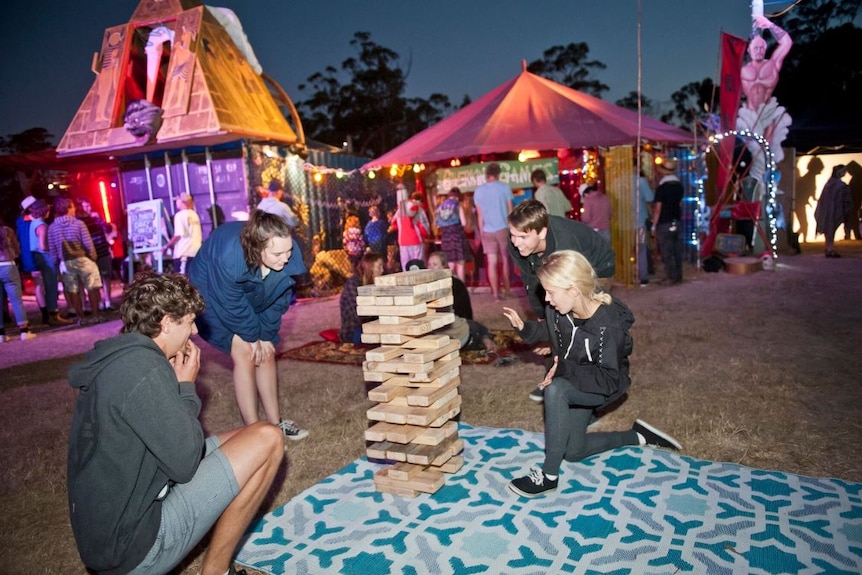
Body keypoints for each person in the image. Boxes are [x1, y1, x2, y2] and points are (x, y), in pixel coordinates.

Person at [67, 271, 284, 575]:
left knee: (247, 436)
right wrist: (185, 388)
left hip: (112, 538)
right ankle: (217, 572)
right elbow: (185, 464)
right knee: (269, 438)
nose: (194, 330)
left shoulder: (124, 358)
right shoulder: (143, 370)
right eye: (189, 321)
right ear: (167, 322)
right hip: (136, 549)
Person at [501, 250, 681, 498]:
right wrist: (524, 328)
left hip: (604, 384)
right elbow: (550, 330)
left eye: (551, 292)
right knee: (574, 451)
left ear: (573, 290)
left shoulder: (607, 325)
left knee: (556, 389)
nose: (548, 299)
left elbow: (607, 380)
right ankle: (638, 435)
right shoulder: (558, 309)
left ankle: (548, 476)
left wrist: (562, 368)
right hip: (577, 375)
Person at [189, 210, 309, 440]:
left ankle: (275, 425)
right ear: (258, 248)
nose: (285, 258)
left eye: (288, 250)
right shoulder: (229, 257)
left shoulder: (285, 253)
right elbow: (231, 304)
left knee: (267, 350)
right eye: (277, 253)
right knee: (244, 350)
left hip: (245, 286)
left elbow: (277, 302)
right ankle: (255, 434)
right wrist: (252, 336)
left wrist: (265, 336)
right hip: (212, 294)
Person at [507, 199, 615, 318]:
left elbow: (570, 290)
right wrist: (542, 317)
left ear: (542, 233)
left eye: (523, 237)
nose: (516, 243)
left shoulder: (565, 246)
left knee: (585, 314)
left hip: (598, 264)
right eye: (513, 235)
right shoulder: (515, 243)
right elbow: (530, 280)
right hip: (562, 257)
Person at [737, 15, 793, 178]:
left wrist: (769, 25)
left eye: (762, 47)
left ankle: (767, 189)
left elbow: (787, 42)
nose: (759, 51)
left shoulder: (772, 64)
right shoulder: (742, 70)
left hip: (768, 112)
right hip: (750, 115)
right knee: (754, 154)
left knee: (769, 152)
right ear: (749, 50)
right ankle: (756, 187)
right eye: (756, 48)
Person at [48, 197, 104, 324]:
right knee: (91, 288)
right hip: (83, 259)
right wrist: (93, 257)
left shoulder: (52, 227)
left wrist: (56, 264)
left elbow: (52, 249)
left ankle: (81, 318)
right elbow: (88, 243)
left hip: (66, 262)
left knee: (73, 290)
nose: (74, 209)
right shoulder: (79, 224)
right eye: (72, 207)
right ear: (68, 208)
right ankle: (96, 315)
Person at [427, 251, 496, 354]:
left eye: (435, 265)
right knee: (478, 328)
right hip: (453, 332)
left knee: (476, 327)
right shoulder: (428, 287)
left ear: (444, 268)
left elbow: (462, 311)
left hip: (458, 323)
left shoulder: (453, 285)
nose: (431, 268)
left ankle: (483, 337)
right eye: (429, 264)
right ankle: (483, 338)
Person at [474, 162, 514, 300]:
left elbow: (480, 215)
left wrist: (481, 231)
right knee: (505, 260)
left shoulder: (479, 191)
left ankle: (496, 294)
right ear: (498, 174)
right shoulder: (504, 187)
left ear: (486, 174)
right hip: (503, 227)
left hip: (487, 229)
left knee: (492, 262)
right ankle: (507, 290)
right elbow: (510, 210)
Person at [0, 216, 36, 342]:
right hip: (8, 264)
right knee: (16, 300)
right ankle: (24, 331)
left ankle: (1, 334)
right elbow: (16, 248)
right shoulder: (7, 230)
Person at [76, 198, 114, 309]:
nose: (88, 209)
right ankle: (99, 302)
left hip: (103, 251)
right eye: (85, 206)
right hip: (90, 254)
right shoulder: (79, 222)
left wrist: (99, 219)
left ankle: (108, 301)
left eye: (89, 206)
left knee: (106, 276)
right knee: (93, 279)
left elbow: (108, 228)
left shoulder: (96, 218)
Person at [339, 252, 385, 343]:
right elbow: (357, 315)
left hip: (372, 325)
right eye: (379, 267)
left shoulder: (376, 283)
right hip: (354, 329)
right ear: (370, 268)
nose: (382, 270)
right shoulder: (353, 285)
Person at [652, 158, 684, 285]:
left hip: (664, 222)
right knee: (676, 249)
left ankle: (671, 276)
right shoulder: (679, 186)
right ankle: (678, 275)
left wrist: (654, 225)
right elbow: (680, 203)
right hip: (676, 220)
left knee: (667, 251)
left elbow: (658, 209)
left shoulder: (662, 188)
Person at [814, 164, 852, 258]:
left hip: (829, 210)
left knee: (830, 230)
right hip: (833, 210)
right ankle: (829, 249)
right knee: (830, 230)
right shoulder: (839, 185)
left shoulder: (830, 184)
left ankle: (829, 248)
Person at [390, 186, 429, 270]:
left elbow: (394, 223)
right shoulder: (418, 209)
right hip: (416, 240)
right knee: (418, 264)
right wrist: (425, 235)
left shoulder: (400, 209)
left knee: (406, 265)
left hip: (403, 241)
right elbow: (424, 227)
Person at [163, 193, 202, 275]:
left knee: (182, 282)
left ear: (182, 202)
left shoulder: (180, 215)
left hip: (184, 254)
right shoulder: (194, 214)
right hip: (196, 253)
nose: (176, 202)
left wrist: (166, 246)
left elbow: (178, 235)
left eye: (177, 200)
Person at [435, 187, 468, 282]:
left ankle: (449, 287)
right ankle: (461, 288)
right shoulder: (457, 205)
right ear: (457, 196)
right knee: (460, 263)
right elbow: (464, 222)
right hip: (457, 235)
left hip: (446, 236)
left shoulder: (441, 206)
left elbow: (437, 224)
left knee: (450, 263)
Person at [636, 170, 655, 285]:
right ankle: (643, 277)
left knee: (626, 248)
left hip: (622, 223)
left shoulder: (618, 181)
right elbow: (650, 198)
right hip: (639, 220)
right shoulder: (641, 181)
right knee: (641, 249)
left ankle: (626, 275)